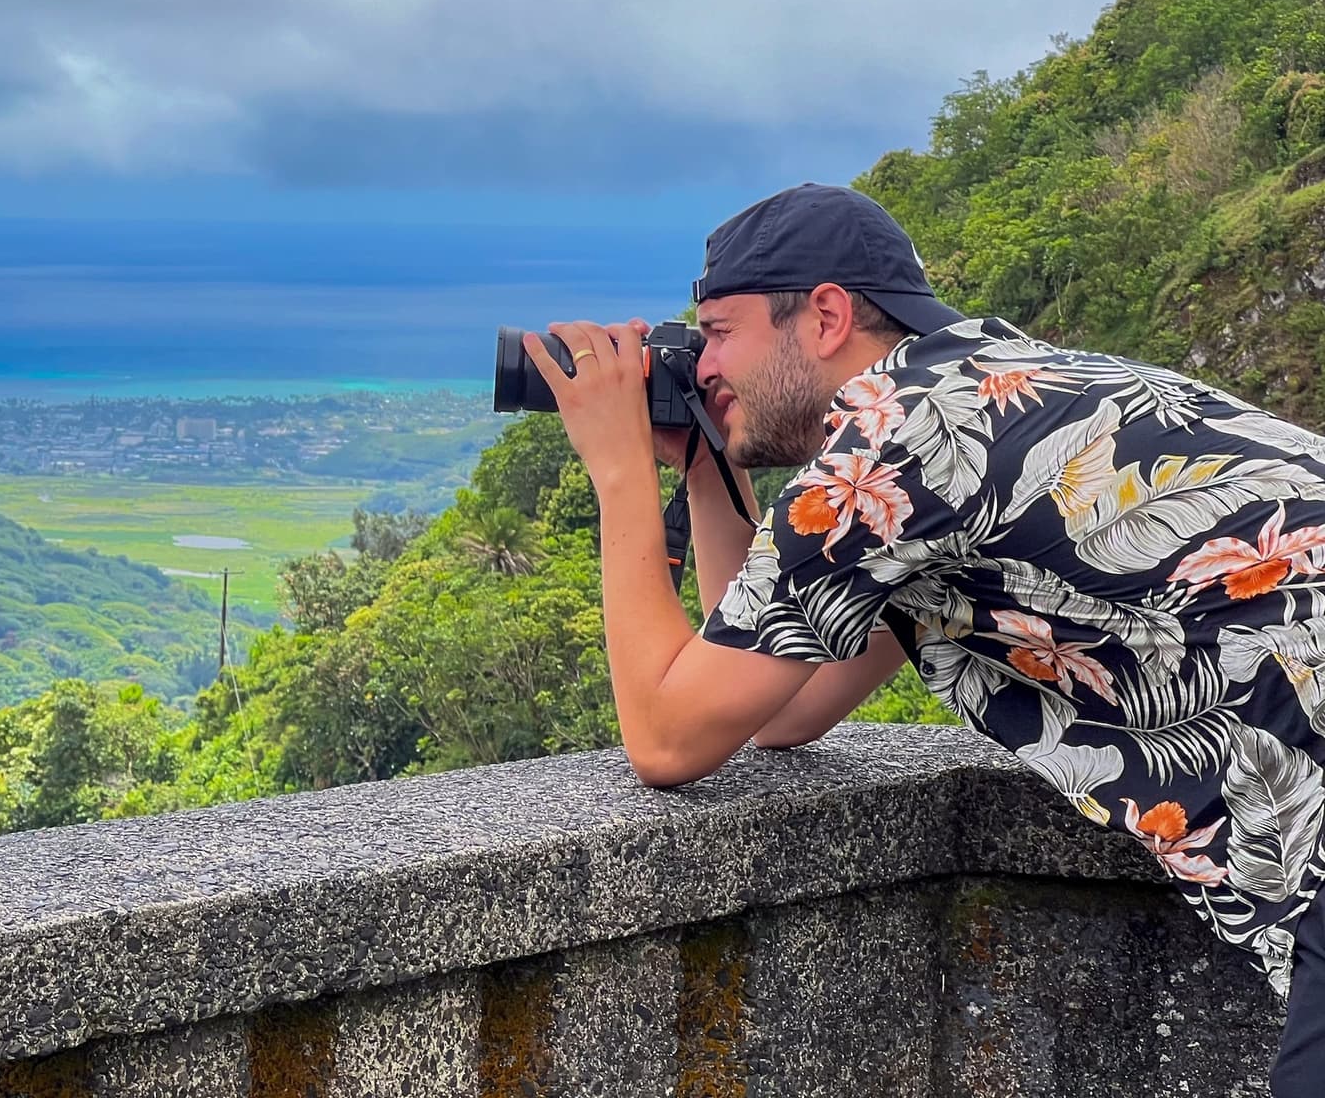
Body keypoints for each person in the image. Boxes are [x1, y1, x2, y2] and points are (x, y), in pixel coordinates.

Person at [522, 182, 1325, 1092]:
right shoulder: (985, 394)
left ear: (824, 315)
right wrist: (709, 465)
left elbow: (669, 738)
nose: (702, 363)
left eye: (718, 331)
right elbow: (778, 704)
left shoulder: (889, 441)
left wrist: (619, 472)